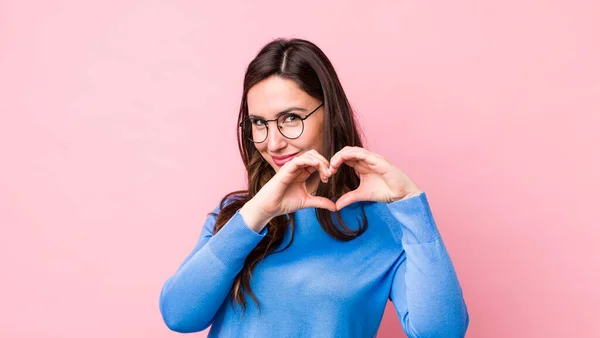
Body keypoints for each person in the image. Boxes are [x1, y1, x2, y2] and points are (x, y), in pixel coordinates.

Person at [158, 38, 469, 337]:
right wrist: (258, 213)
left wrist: (411, 205)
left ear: (330, 115)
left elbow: (441, 332)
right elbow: (180, 316)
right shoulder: (237, 219)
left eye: (291, 118)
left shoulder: (386, 228)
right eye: (259, 123)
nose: (273, 142)